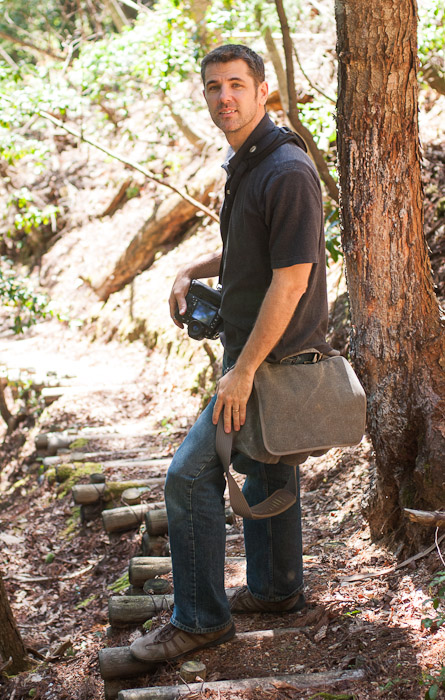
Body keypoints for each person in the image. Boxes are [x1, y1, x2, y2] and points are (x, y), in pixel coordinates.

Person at [130, 44, 333, 663]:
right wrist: (196, 264)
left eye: (237, 85)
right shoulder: (249, 161)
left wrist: (243, 372)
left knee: (190, 477)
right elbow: (254, 249)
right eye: (215, 87)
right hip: (254, 356)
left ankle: (199, 620)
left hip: (273, 363)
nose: (226, 97)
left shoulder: (285, 170)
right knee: (268, 469)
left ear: (264, 88)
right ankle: (275, 591)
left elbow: (291, 279)